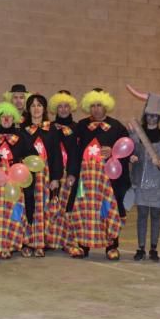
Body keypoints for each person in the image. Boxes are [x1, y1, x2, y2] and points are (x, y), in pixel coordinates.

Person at [67, 89, 127, 259]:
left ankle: (112, 246)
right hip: (85, 179)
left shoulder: (117, 127)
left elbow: (127, 150)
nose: (95, 109)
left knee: (108, 210)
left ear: (106, 106)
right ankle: (83, 245)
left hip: (108, 180)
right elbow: (74, 152)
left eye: (99, 105)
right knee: (85, 211)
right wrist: (72, 173)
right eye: (92, 106)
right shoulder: (81, 126)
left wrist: (113, 152)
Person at [124, 91, 160, 262]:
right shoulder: (135, 134)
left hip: (159, 184)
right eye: (149, 115)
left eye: (155, 115)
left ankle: (153, 248)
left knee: (155, 216)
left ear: (159, 117)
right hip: (140, 182)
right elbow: (127, 151)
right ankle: (140, 248)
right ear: (145, 115)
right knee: (141, 216)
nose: (152, 118)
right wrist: (130, 157)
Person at [0, 102, 30, 259]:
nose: (6, 119)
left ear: (14, 118)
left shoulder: (21, 136)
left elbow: (33, 154)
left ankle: (10, 245)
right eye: (2, 116)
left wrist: (20, 162)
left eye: (9, 116)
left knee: (13, 213)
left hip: (14, 181)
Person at [19, 94, 62, 257]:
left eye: (39, 105)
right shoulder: (23, 130)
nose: (36, 109)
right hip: (28, 176)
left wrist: (56, 178)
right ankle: (27, 242)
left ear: (44, 109)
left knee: (43, 208)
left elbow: (56, 155)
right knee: (29, 207)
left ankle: (40, 243)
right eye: (33, 106)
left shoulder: (51, 129)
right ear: (28, 109)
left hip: (46, 175)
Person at [45, 91, 78, 251]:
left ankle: (67, 240)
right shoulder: (49, 127)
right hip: (52, 173)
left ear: (71, 108)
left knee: (67, 207)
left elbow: (77, 152)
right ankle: (49, 239)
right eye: (60, 107)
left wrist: (72, 173)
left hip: (69, 173)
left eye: (66, 106)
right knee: (52, 205)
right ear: (55, 109)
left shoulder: (77, 128)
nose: (63, 110)